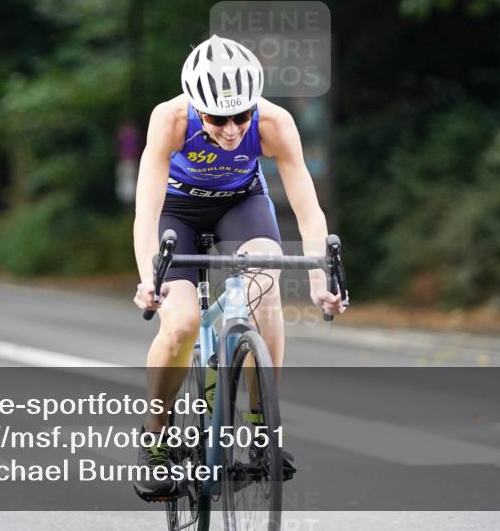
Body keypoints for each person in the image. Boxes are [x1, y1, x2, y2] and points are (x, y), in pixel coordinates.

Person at [131, 35, 345, 499]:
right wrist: (148, 278)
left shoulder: (273, 122)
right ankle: (155, 436)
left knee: (265, 284)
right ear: (195, 107)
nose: (231, 130)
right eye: (216, 118)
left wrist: (318, 282)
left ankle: (261, 426)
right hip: (178, 213)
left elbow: (308, 211)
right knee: (182, 322)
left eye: (240, 116)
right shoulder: (169, 120)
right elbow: (145, 212)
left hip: (241, 204)